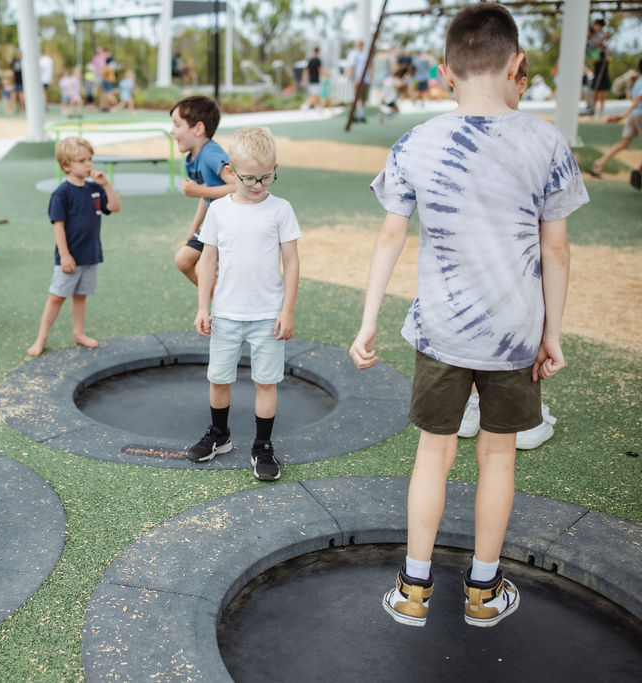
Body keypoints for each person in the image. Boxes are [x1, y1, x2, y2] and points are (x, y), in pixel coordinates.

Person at [349, 3, 588, 628]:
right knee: (499, 455)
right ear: (516, 64)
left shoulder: (417, 142)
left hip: (441, 331)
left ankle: (413, 590)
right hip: (514, 337)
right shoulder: (546, 141)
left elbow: (389, 236)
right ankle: (483, 592)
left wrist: (368, 320)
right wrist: (552, 333)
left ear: (443, 70)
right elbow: (556, 248)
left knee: (432, 454)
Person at [457, 47, 559, 451]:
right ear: (516, 79)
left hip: (473, 268)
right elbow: (552, 242)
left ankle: (474, 408)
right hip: (512, 273)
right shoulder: (534, 138)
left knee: (479, 331)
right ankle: (518, 420)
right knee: (514, 332)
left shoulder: (464, 135)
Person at [190, 127, 300, 482]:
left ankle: (262, 446)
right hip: (225, 313)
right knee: (219, 378)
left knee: (266, 382)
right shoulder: (219, 210)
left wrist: (288, 310)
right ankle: (219, 435)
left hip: (267, 315)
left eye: (267, 176)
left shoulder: (280, 209)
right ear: (232, 171)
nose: (258, 184)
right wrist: (202, 307)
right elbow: (207, 260)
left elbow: (292, 262)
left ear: (275, 167)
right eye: (249, 177)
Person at [27, 136, 121, 356]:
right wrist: (65, 255)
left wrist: (106, 184)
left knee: (81, 296)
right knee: (57, 297)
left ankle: (78, 333)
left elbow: (115, 207)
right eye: (81, 161)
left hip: (91, 255)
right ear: (66, 166)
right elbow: (58, 226)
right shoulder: (61, 194)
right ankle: (41, 337)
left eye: (90, 159)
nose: (88, 164)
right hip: (69, 257)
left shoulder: (94, 189)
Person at [169, 95, 236, 285]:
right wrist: (194, 228)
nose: (172, 131)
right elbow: (205, 194)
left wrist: (199, 191)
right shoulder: (191, 158)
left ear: (198, 128)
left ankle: (225, 307)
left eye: (177, 124)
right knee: (183, 260)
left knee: (202, 268)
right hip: (214, 223)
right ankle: (221, 304)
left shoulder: (211, 153)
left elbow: (239, 186)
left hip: (231, 225)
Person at [590, 57, 642, 183]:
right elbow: (637, 100)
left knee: (624, 143)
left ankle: (599, 163)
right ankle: (637, 172)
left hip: (633, 116)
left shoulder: (638, 80)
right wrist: (624, 115)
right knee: (624, 143)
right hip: (639, 115)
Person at [347, 39, 373, 122]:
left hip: (366, 79)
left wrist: (371, 78)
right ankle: (355, 115)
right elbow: (351, 67)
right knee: (357, 98)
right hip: (357, 79)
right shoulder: (353, 54)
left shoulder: (365, 54)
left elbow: (370, 66)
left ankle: (361, 115)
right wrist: (353, 79)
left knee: (363, 98)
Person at [591, 50, 612, 121]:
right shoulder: (597, 61)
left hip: (603, 80)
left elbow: (610, 59)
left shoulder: (606, 61)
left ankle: (600, 115)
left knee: (601, 99)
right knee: (595, 98)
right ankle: (593, 114)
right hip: (598, 79)